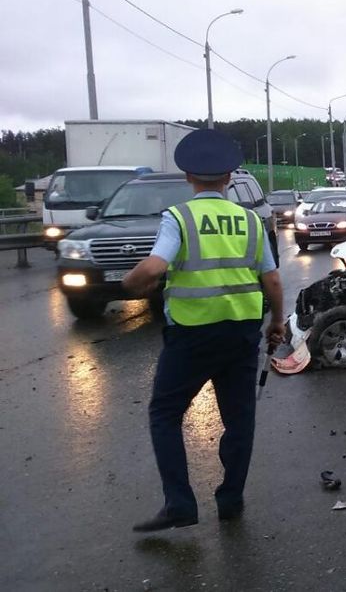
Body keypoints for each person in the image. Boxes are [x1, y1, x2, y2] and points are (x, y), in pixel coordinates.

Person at [122, 129, 285, 533]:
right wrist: (277, 323)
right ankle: (230, 500)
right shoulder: (249, 220)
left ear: (188, 177)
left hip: (191, 338)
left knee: (165, 414)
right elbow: (273, 280)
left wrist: (128, 284)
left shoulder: (178, 217)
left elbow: (155, 267)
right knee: (239, 419)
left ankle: (180, 504)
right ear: (230, 177)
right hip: (242, 336)